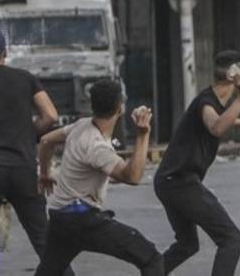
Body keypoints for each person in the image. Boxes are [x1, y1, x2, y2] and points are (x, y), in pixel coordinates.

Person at [0, 28, 70, 276]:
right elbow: (50, 115)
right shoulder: (25, 78)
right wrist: (27, 134)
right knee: (43, 238)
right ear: (5, 52)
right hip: (22, 168)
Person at [154, 50, 240, 275]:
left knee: (187, 245)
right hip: (180, 182)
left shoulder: (212, 101)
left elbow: (225, 118)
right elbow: (216, 126)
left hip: (168, 181)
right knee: (231, 239)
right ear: (234, 74)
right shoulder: (206, 102)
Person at [34, 80, 162, 276]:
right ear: (120, 108)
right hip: (82, 219)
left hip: (60, 217)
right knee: (151, 258)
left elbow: (45, 140)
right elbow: (133, 176)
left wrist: (44, 174)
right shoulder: (96, 146)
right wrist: (143, 134)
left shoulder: (80, 125)